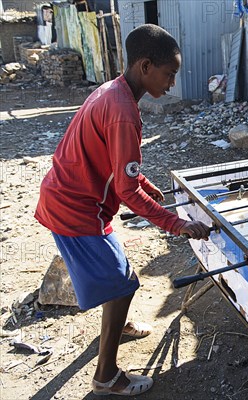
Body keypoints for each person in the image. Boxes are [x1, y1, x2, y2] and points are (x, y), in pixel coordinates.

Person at [34, 24, 210, 396]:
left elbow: (118, 167)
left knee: (121, 278)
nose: (172, 83)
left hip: (76, 199)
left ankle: (118, 324)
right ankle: (106, 376)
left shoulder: (113, 92)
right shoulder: (123, 112)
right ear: (145, 66)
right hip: (75, 209)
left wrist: (144, 182)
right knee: (124, 282)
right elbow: (126, 190)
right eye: (170, 74)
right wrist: (175, 224)